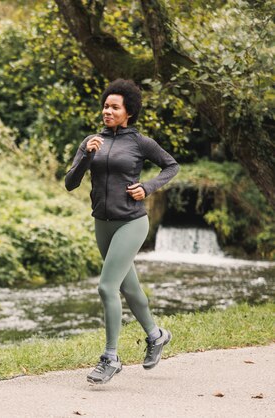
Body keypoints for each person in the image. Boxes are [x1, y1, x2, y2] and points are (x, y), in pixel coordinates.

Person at [64, 79, 179, 384]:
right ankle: (156, 336)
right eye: (105, 106)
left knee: (106, 287)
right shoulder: (91, 141)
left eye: (114, 107)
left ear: (128, 111)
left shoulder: (140, 143)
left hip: (131, 221)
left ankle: (110, 357)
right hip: (102, 223)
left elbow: (171, 166)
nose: (108, 111)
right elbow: (70, 182)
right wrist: (87, 155)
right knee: (129, 288)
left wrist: (148, 187)